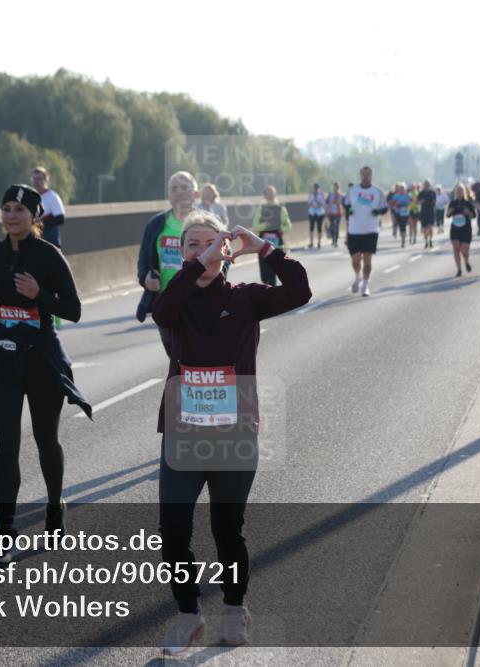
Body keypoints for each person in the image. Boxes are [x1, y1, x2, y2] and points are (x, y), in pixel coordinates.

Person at [152, 210, 311, 654]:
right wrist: (194, 266)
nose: (201, 251)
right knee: (173, 530)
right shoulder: (177, 299)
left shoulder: (246, 298)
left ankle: (234, 609)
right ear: (181, 253)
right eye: (191, 245)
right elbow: (161, 312)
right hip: (183, 433)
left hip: (235, 435)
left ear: (227, 252)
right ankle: (188, 614)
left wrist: (263, 247)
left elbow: (300, 290)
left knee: (227, 529)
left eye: (210, 244)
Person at [0, 184, 92, 564]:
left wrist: (38, 294)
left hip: (41, 357)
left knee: (45, 440)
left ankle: (55, 503)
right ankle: (5, 531)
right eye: (6, 208)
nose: (11, 215)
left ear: (35, 217)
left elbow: (73, 309)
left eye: (19, 210)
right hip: (3, 357)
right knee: (6, 444)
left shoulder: (49, 255)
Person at [137, 171, 201, 356]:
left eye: (184, 188)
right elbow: (143, 260)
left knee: (196, 354)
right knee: (174, 355)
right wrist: (145, 279)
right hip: (165, 301)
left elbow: (224, 257)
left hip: (198, 299)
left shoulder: (207, 222)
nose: (179, 192)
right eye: (174, 188)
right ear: (169, 195)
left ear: (195, 194)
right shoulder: (156, 224)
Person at [344, 166, 389, 296]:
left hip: (371, 230)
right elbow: (345, 204)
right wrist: (349, 210)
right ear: (360, 175)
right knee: (355, 259)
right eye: (363, 174)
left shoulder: (377, 191)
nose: (366, 177)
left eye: (368, 174)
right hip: (354, 230)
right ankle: (358, 276)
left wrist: (378, 211)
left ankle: (365, 283)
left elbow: (385, 208)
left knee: (368, 260)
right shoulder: (353, 190)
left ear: (371, 175)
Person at [251, 186, 293, 286]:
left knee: (274, 272)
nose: (269, 195)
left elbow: (288, 225)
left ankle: (272, 295)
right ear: (264, 195)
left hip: (277, 246)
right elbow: (255, 227)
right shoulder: (260, 209)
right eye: (267, 193)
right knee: (265, 276)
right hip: (263, 246)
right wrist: (264, 225)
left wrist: (282, 229)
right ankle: (269, 289)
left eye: (271, 192)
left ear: (275, 194)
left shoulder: (281, 209)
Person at [31, 167, 66, 248]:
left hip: (50, 240)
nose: (36, 181)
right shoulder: (30, 196)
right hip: (34, 239)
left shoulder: (52, 196)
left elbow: (60, 219)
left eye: (39, 178)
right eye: (34, 178)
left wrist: (40, 222)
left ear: (46, 179)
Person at [446, 183, 476, 277]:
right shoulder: (452, 203)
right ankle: (459, 269)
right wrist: (450, 212)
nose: (459, 192)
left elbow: (473, 215)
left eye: (461, 190)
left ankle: (466, 262)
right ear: (455, 192)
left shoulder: (467, 203)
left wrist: (468, 213)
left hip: (466, 229)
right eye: (457, 191)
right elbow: (447, 215)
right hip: (455, 229)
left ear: (464, 192)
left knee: (464, 251)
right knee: (456, 250)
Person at [388, 183, 412, 249]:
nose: (401, 189)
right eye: (400, 188)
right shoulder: (395, 196)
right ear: (398, 189)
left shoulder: (408, 196)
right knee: (398, 226)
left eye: (403, 188)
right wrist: (396, 204)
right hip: (397, 213)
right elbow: (391, 205)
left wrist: (407, 206)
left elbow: (411, 203)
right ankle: (397, 233)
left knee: (403, 227)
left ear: (405, 189)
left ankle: (403, 242)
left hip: (405, 214)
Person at [417, 180, 437, 249]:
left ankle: (430, 240)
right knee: (425, 228)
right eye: (425, 184)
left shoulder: (433, 193)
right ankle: (426, 241)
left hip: (431, 212)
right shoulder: (421, 193)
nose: (427, 186)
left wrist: (433, 202)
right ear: (423, 185)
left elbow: (435, 202)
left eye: (428, 184)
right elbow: (418, 202)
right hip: (424, 212)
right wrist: (422, 201)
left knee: (430, 227)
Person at [325, 182, 344, 248]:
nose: (336, 189)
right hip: (331, 212)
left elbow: (344, 204)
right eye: (335, 187)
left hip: (338, 213)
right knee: (332, 226)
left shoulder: (341, 195)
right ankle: (333, 239)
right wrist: (326, 210)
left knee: (336, 226)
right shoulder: (330, 195)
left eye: (337, 187)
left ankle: (336, 240)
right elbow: (326, 202)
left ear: (339, 188)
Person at [307, 182, 325, 249]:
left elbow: (323, 203)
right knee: (311, 227)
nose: (316, 189)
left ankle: (319, 242)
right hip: (312, 212)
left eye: (317, 188)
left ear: (319, 188)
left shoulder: (321, 194)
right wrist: (312, 203)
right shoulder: (311, 194)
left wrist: (317, 201)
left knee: (319, 228)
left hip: (320, 213)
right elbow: (309, 203)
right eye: (315, 188)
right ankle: (311, 242)